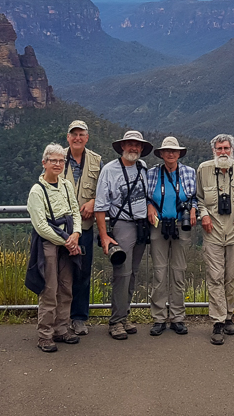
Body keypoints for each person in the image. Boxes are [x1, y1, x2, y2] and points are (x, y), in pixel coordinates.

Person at [95, 130, 154, 340]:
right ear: (122, 146)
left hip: (141, 226)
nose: (134, 148)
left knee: (133, 273)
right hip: (122, 225)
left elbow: (147, 195)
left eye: (137, 145)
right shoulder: (109, 171)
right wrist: (104, 236)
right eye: (130, 144)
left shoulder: (142, 167)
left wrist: (149, 206)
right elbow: (100, 206)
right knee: (122, 273)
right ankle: (116, 321)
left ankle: (124, 315)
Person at [25, 144, 82, 352]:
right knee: (49, 289)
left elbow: (75, 211)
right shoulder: (37, 191)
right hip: (50, 243)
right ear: (44, 163)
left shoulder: (67, 185)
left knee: (66, 287)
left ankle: (61, 328)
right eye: (53, 161)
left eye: (61, 161)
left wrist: (76, 234)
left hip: (68, 240)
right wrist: (67, 241)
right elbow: (40, 226)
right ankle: (45, 335)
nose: (58, 164)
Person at [196, 133, 234, 345]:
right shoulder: (203, 169)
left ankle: (229, 316)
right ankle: (218, 321)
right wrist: (203, 215)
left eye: (226, 148)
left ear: (232, 149)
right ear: (213, 151)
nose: (223, 152)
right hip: (212, 232)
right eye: (219, 149)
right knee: (215, 276)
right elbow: (199, 198)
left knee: (231, 277)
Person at [146, 136, 197, 336]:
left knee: (178, 271)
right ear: (160, 154)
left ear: (179, 153)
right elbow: (146, 196)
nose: (170, 154)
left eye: (173, 151)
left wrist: (193, 209)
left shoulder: (189, 172)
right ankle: (158, 317)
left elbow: (194, 196)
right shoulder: (152, 174)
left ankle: (177, 317)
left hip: (180, 224)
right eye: (166, 151)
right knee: (159, 272)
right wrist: (149, 206)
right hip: (158, 225)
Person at [61, 120, 102, 337]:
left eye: (81, 134)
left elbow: (104, 190)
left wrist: (94, 201)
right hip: (61, 229)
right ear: (68, 137)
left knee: (82, 272)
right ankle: (60, 316)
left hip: (85, 227)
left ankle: (78, 317)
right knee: (59, 273)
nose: (77, 138)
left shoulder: (96, 161)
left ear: (87, 138)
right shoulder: (57, 157)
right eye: (74, 134)